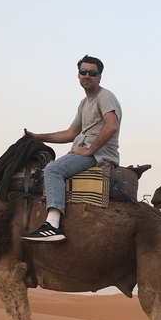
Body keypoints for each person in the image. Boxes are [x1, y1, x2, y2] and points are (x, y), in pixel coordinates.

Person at [21, 54, 122, 242]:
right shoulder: (84, 103)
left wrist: (89, 150)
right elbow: (70, 133)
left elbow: (111, 125)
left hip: (98, 153)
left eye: (92, 73)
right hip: (87, 150)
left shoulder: (104, 96)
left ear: (99, 76)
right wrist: (37, 137)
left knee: (53, 170)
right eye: (83, 72)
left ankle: (52, 224)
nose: (87, 76)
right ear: (78, 75)